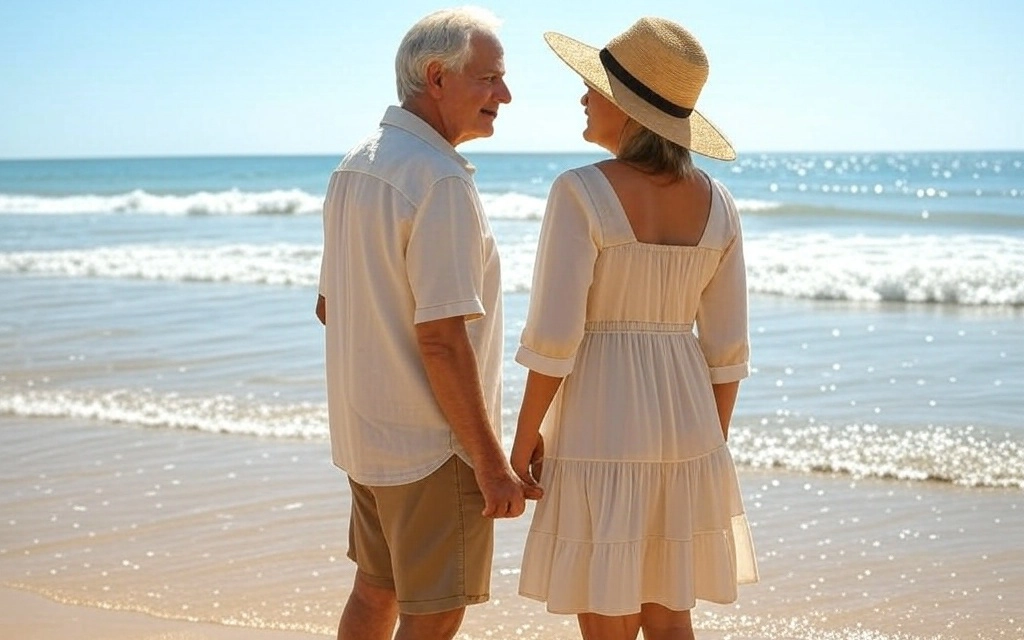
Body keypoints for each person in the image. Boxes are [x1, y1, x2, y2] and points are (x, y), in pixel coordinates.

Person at [509, 17, 759, 640]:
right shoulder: (719, 202)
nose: (583, 97)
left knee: (607, 610)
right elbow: (727, 349)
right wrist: (708, 445)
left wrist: (524, 435)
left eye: (595, 87)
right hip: (688, 419)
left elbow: (555, 335)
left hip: (601, 417)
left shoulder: (581, 191)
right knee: (670, 613)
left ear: (628, 108)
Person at [315, 7, 538, 640]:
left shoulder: (355, 164)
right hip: (433, 449)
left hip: (367, 435)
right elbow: (442, 339)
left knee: (375, 592)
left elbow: (331, 306)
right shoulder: (438, 181)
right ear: (436, 77)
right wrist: (490, 463)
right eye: (489, 78)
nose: (504, 94)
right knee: (434, 614)